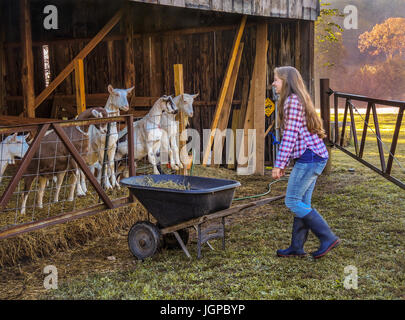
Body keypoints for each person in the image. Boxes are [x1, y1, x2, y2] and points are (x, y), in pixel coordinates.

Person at [271, 66, 340, 259]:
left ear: (286, 81)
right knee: (302, 202)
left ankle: (327, 237)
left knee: (292, 201)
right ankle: (296, 247)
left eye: (276, 79)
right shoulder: (297, 99)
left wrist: (279, 164)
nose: (274, 83)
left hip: (310, 157)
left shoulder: (292, 101)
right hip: (314, 156)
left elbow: (290, 136)